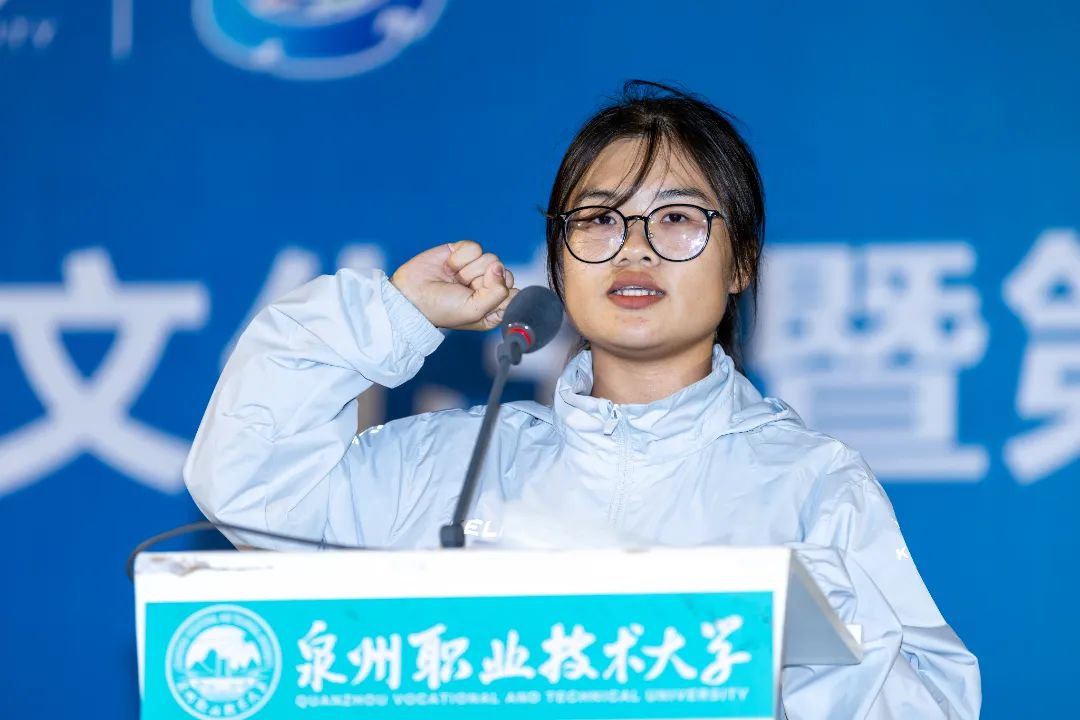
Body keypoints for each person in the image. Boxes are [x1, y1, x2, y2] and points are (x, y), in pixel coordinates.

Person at [184, 81, 981, 718]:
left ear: (742, 260)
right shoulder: (447, 469)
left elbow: (928, 704)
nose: (634, 247)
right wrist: (390, 312)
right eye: (599, 220)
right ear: (558, 262)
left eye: (676, 218)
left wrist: (807, 640)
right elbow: (252, 485)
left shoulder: (810, 487)